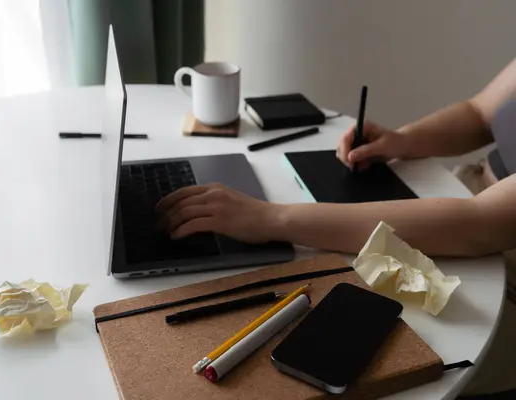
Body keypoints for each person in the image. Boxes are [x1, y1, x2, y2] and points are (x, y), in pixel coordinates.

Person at [156, 58, 516, 397]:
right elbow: (479, 113)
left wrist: (271, 218)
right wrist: (401, 140)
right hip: (470, 190)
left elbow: (477, 223)